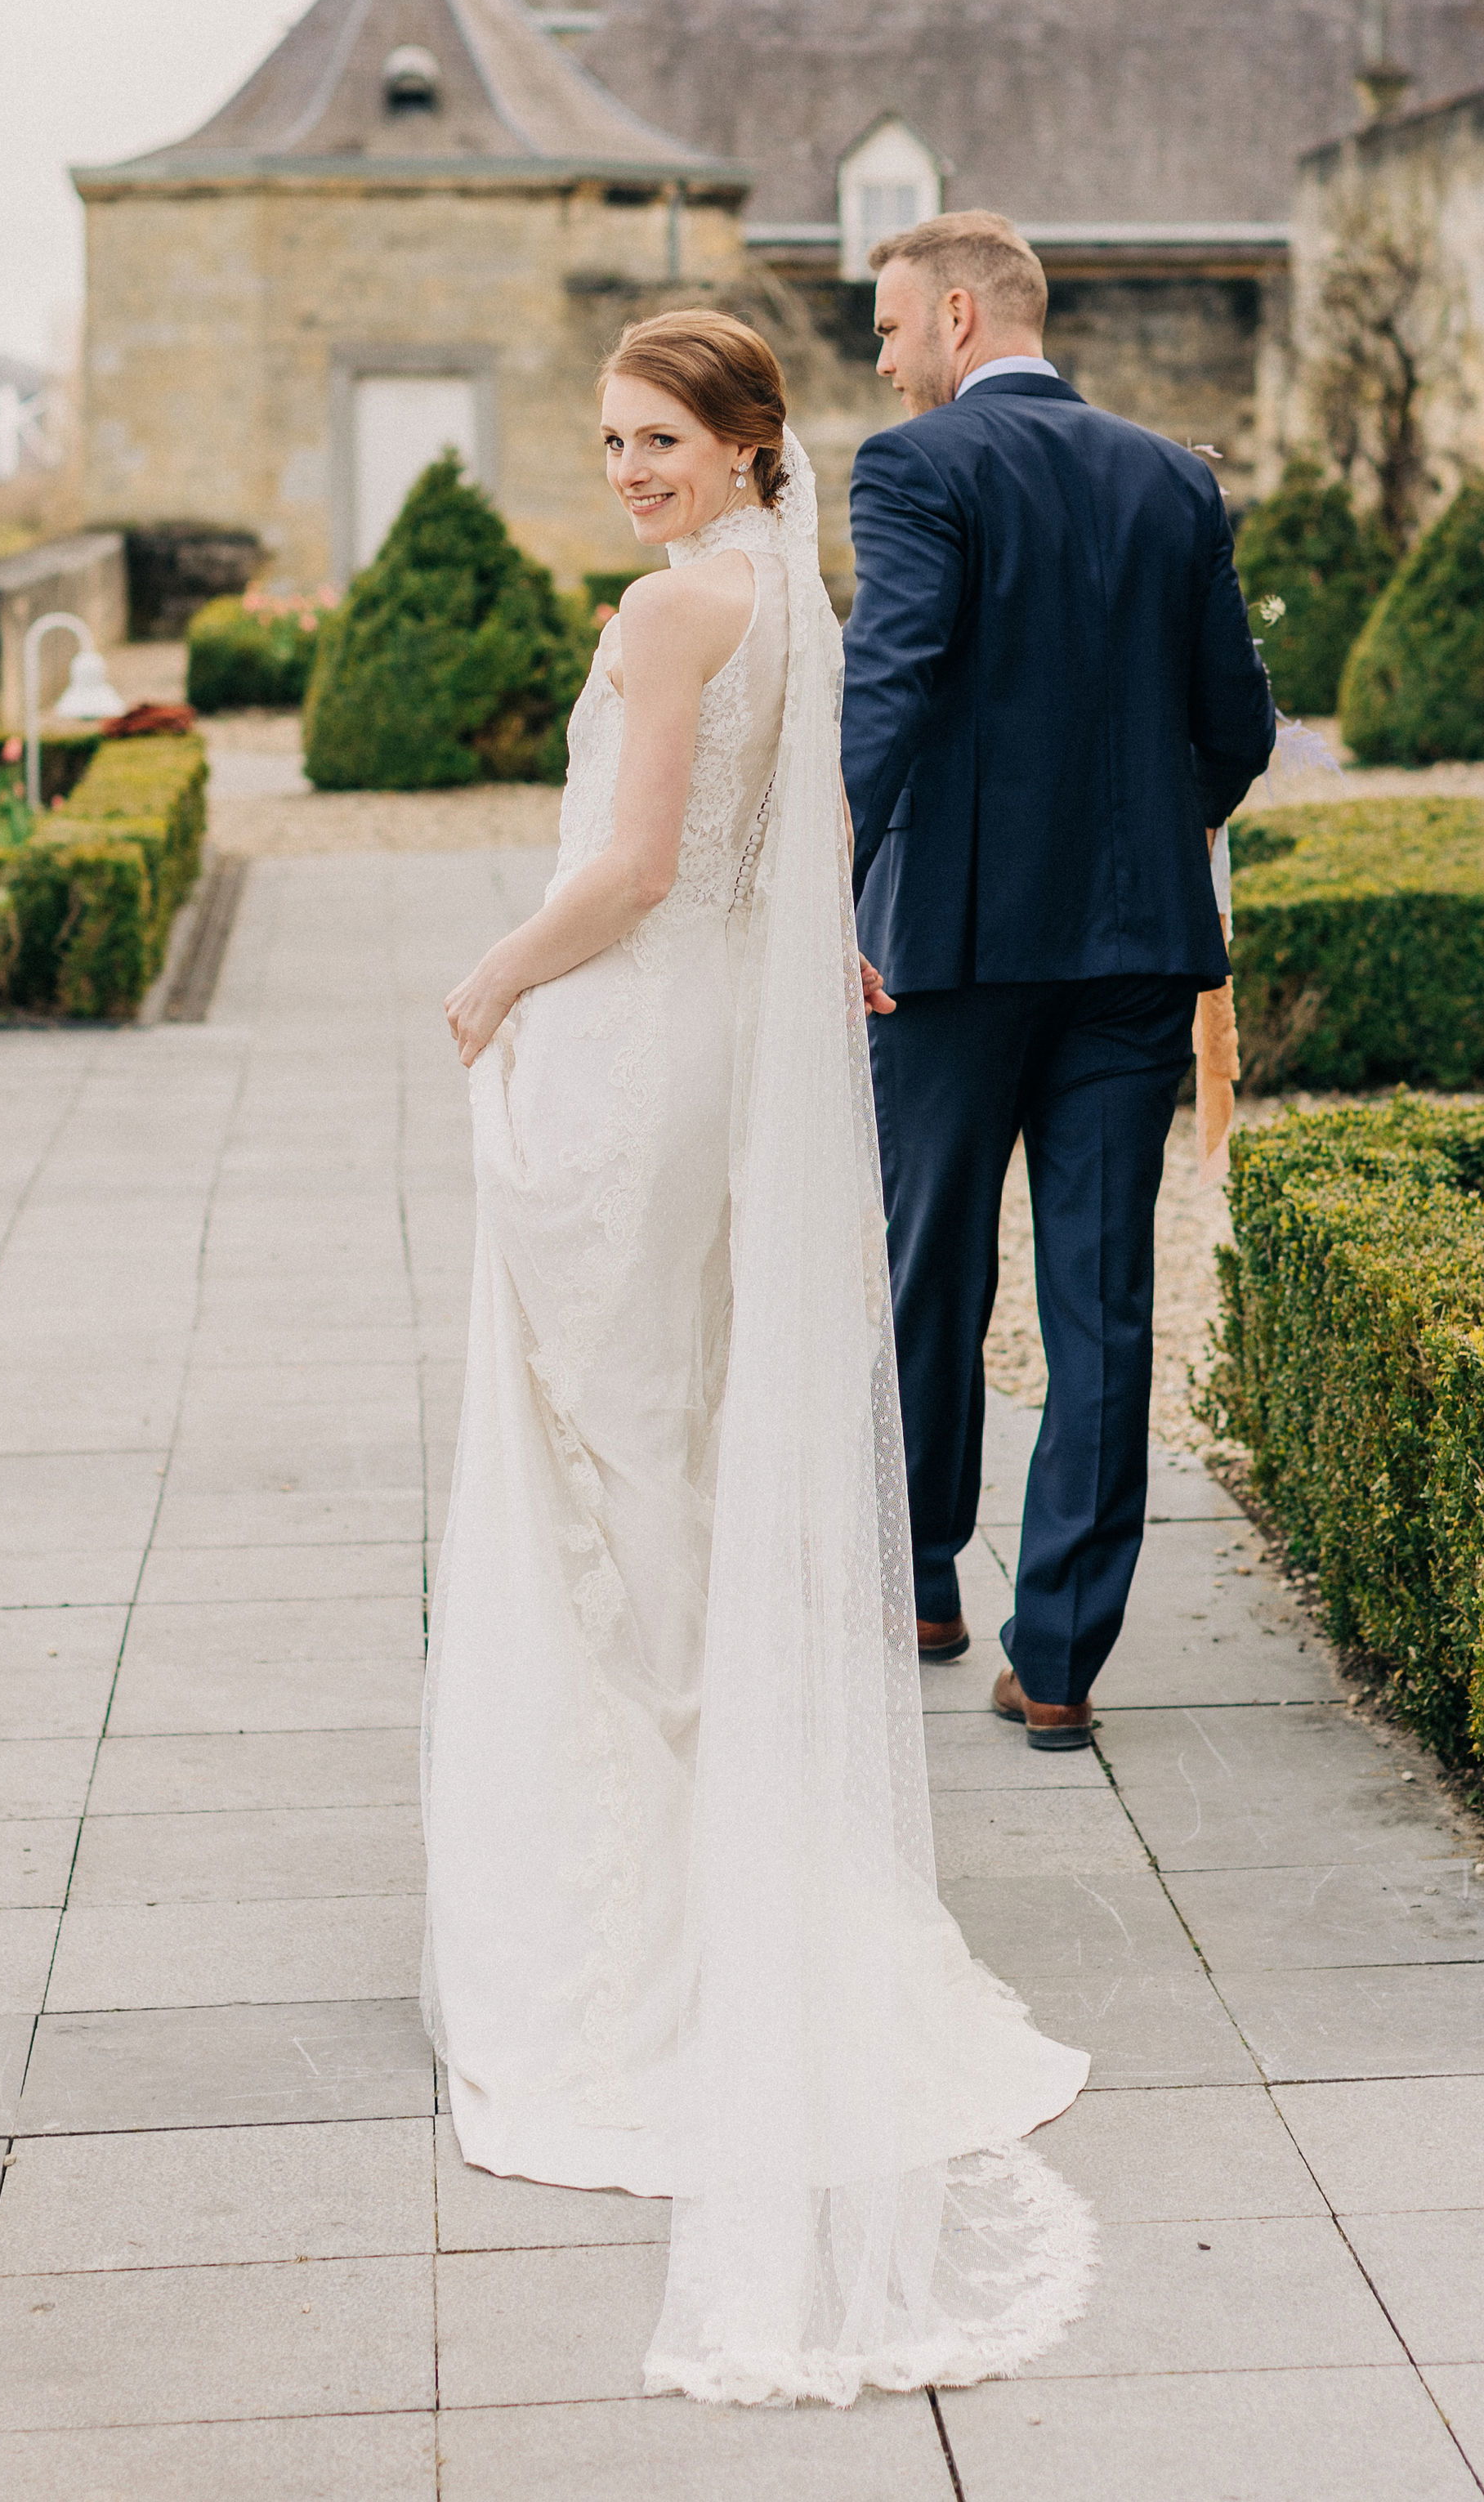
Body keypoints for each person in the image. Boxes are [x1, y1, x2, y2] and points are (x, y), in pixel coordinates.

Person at [427, 309, 1096, 2410]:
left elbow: (630, 870)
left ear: (742, 444)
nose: (628, 468)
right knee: (676, 1445)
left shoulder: (671, 611)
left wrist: (490, 977)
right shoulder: (794, 596)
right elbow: (791, 854)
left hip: (638, 1046)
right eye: (611, 440)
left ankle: (644, 1914)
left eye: (660, 439)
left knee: (612, 1452)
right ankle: (730, 1862)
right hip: (725, 1049)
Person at [843, 212, 1276, 1752]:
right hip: (1134, 950)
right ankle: (1064, 1661)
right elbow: (1238, 727)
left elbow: (887, 683)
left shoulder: (915, 467)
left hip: (949, 953)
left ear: (959, 316)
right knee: (1102, 1301)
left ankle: (919, 1587)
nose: (882, 360)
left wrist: (826, 886)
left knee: (929, 1271)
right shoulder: (1174, 478)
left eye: (890, 326)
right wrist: (1152, 836)